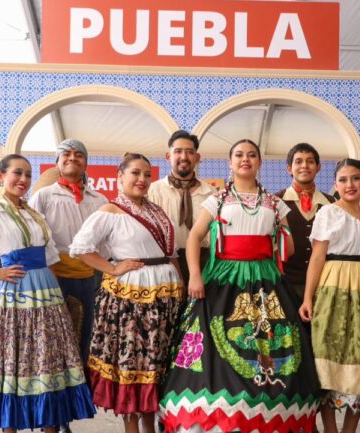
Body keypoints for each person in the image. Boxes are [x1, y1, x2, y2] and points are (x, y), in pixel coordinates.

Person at [159, 139, 321, 433]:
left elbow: (290, 247)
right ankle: (215, 415)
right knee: (213, 344)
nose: (245, 159)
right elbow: (194, 238)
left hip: (266, 281)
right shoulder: (218, 199)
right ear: (229, 163)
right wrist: (195, 275)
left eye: (251, 155)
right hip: (223, 278)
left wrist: (269, 247)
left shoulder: (274, 203)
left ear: (259, 162)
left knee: (273, 344)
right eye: (239, 155)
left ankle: (268, 414)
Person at [0, 154, 96, 432]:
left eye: (28, 174)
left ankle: (49, 423)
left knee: (47, 359)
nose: (24, 180)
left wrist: (58, 302)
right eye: (17, 173)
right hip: (14, 294)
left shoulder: (33, 213)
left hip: (47, 293)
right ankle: (10, 426)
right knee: (13, 360)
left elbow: (50, 259)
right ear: (1, 175)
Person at [69, 153, 183, 433]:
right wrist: (112, 268)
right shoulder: (110, 211)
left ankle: (151, 427)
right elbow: (81, 248)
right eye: (135, 173)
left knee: (157, 364)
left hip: (163, 296)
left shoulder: (155, 210)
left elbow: (169, 252)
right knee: (133, 364)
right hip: (132, 300)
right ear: (120, 177)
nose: (142, 179)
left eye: (147, 174)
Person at [298, 158, 360, 433]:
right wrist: (308, 298)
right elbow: (317, 257)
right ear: (335, 184)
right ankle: (330, 430)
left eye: (356, 178)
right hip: (334, 289)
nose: (350, 185)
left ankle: (349, 430)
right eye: (344, 180)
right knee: (329, 357)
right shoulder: (329, 214)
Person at [29, 138, 108, 367]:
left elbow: (105, 241)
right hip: (53, 274)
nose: (72, 157)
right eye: (66, 154)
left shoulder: (99, 200)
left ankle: (79, 386)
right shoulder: (43, 197)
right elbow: (36, 238)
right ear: (58, 162)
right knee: (52, 331)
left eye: (79, 155)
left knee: (85, 330)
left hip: (89, 276)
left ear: (85, 165)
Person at [148, 130, 216, 287]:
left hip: (204, 262)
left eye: (190, 152)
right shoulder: (152, 191)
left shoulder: (212, 194)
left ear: (197, 158)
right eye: (178, 151)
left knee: (199, 310)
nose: (184, 157)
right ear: (168, 156)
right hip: (164, 263)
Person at [276, 142, 334, 299]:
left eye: (310, 161)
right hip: (286, 282)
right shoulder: (275, 201)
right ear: (289, 168)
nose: (305, 166)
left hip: (324, 283)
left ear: (318, 167)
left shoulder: (332, 203)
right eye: (299, 161)